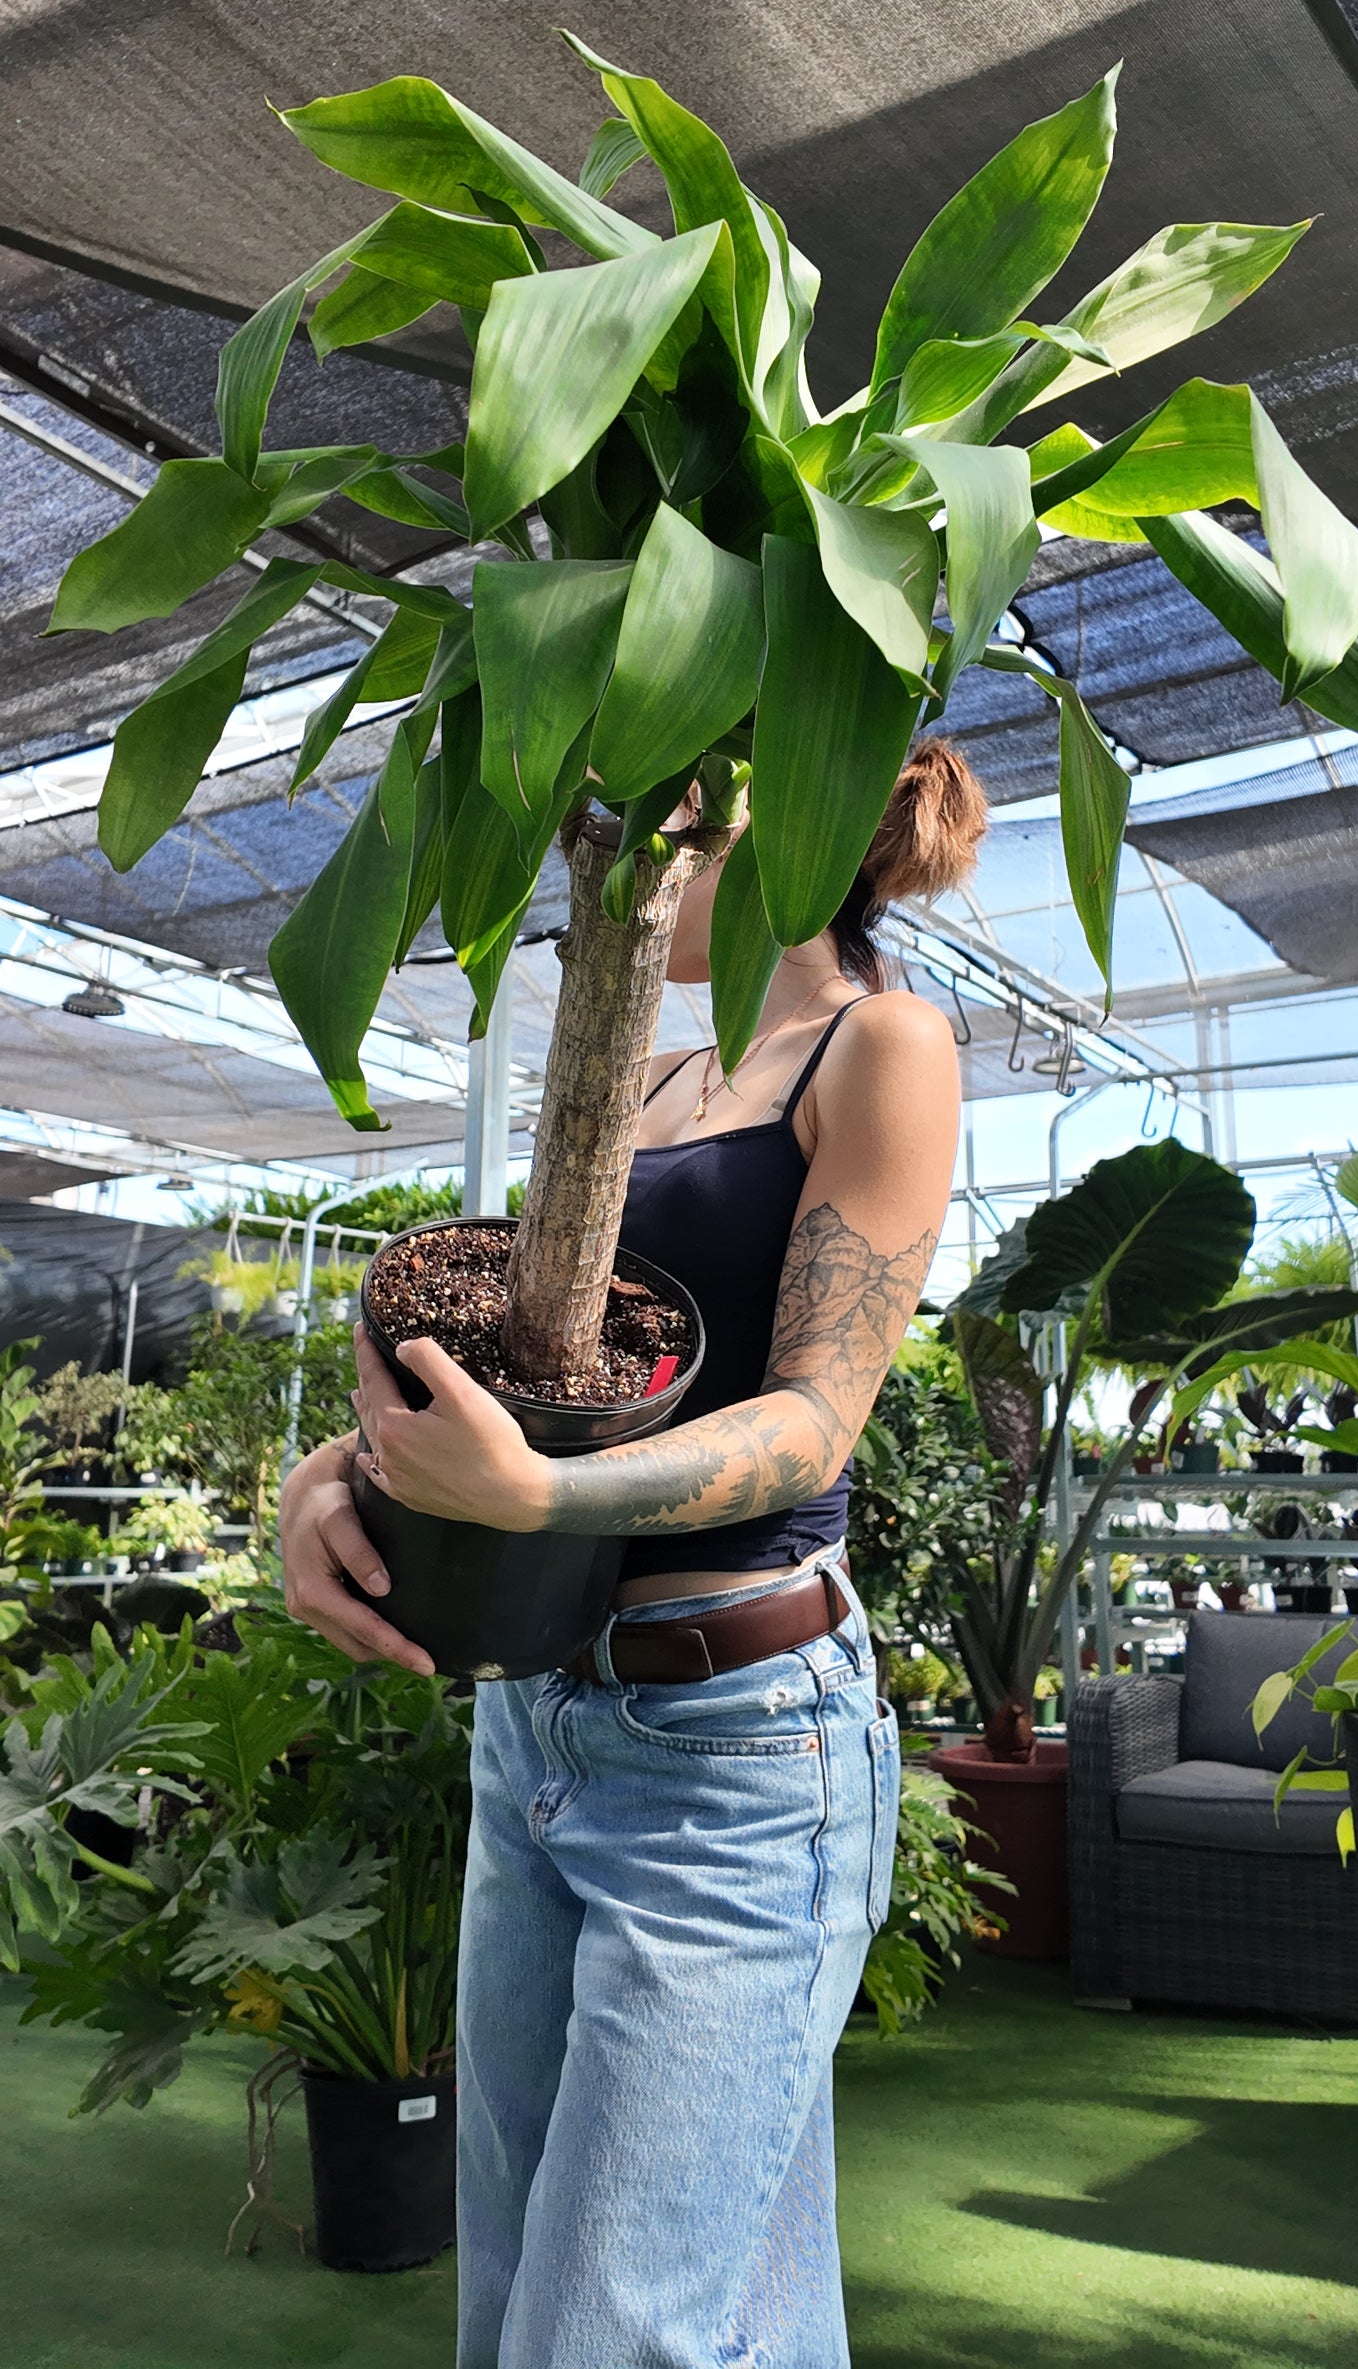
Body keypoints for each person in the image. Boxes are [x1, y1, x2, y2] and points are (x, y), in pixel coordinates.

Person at [278, 737, 987, 2369]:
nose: (612, 850)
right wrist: (338, 1475)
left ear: (780, 815)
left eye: (665, 807)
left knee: (607, 2332)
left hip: (738, 1742)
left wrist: (537, 1495)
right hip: (539, 1718)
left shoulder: (879, 1042)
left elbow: (812, 1422)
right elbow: (531, 1384)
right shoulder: (641, 1080)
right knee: (537, 2297)